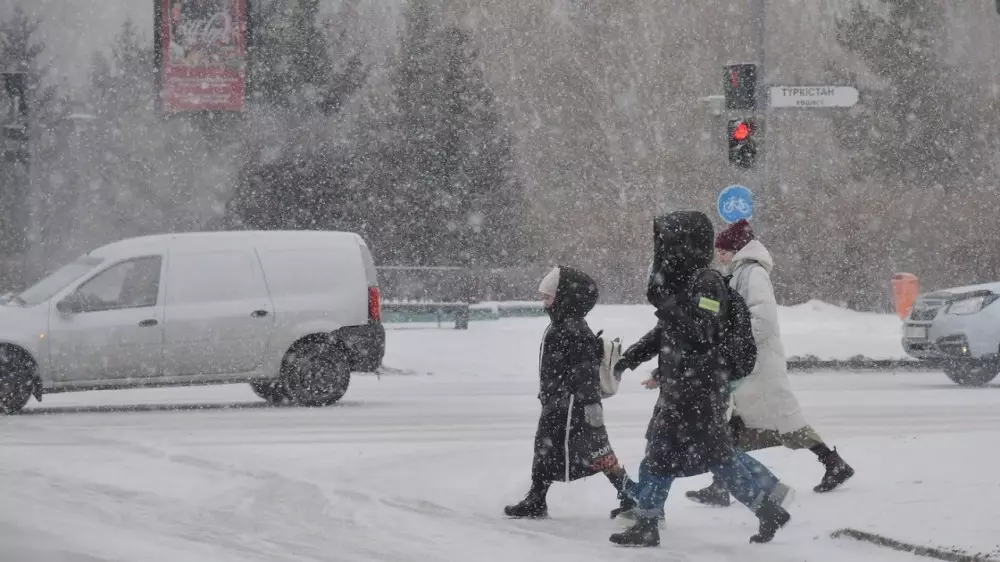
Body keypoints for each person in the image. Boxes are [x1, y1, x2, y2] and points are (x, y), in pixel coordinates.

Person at [608, 211, 792, 547]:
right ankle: (650, 524)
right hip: (684, 387)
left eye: (669, 244)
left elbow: (701, 332)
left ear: (687, 245)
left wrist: (667, 306)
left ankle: (765, 508)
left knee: (714, 457)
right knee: (667, 452)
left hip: (703, 388)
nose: (662, 253)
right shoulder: (685, 282)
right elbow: (665, 333)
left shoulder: (708, 283)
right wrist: (628, 359)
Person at [684, 219, 854, 507]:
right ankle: (721, 484)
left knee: (784, 419)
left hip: (759, 363)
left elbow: (762, 320)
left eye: (723, 251)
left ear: (736, 250)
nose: (720, 257)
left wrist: (734, 344)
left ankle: (832, 462)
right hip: (748, 361)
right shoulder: (740, 273)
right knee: (733, 420)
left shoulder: (753, 274)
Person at [504, 266, 635, 519]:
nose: (545, 304)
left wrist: (583, 405)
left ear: (565, 297)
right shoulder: (565, 325)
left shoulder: (573, 330)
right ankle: (537, 497)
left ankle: (631, 494)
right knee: (557, 448)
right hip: (561, 403)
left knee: (594, 451)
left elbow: (584, 374)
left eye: (548, 298)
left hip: (571, 405)